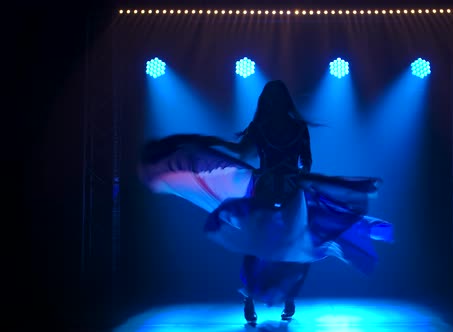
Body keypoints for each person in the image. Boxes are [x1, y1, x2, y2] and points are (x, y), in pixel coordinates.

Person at [138, 80, 393, 324]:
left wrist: (215, 144)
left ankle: (254, 299)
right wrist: (297, 176)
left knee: (260, 242)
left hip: (268, 187)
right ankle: (282, 298)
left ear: (267, 101)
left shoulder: (262, 125)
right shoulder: (295, 127)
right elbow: (307, 161)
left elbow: (242, 153)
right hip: (289, 188)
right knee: (289, 240)